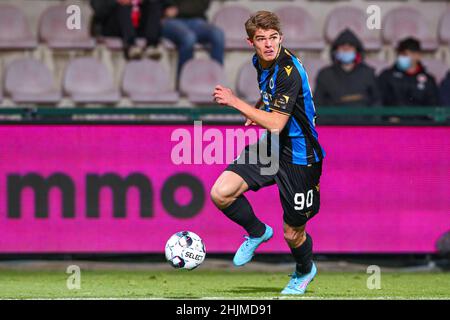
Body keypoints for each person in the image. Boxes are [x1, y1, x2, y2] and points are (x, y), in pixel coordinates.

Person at [211, 11, 325, 295]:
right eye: (261, 39)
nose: (269, 44)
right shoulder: (260, 62)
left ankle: (303, 270)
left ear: (281, 38)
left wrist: (237, 103)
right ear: (251, 42)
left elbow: (277, 121)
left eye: (273, 38)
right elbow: (269, 97)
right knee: (221, 193)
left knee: (292, 233)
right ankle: (257, 231)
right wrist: (259, 106)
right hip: (274, 146)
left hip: (301, 156)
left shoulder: (289, 70)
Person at [314, 29, 381, 114]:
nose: (346, 50)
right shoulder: (325, 75)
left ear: (357, 51)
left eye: (350, 48)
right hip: (333, 125)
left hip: (364, 125)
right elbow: (317, 106)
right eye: (342, 48)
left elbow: (377, 103)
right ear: (335, 51)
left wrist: (372, 124)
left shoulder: (368, 74)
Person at [161, 0, 225, 78]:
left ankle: (217, 80)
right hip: (172, 21)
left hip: (197, 21)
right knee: (189, 38)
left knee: (218, 34)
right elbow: (167, 8)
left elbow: (201, 5)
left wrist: (178, 9)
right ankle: (184, 81)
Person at [90, 0, 169, 60]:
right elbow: (98, 9)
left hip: (138, 26)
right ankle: (131, 46)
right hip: (113, 25)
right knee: (122, 7)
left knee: (154, 4)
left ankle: (152, 45)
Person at [378, 38, 439, 107]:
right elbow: (379, 103)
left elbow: (434, 107)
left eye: (405, 54)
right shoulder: (387, 76)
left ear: (417, 55)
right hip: (394, 117)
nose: (402, 58)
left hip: (420, 118)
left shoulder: (428, 80)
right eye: (400, 54)